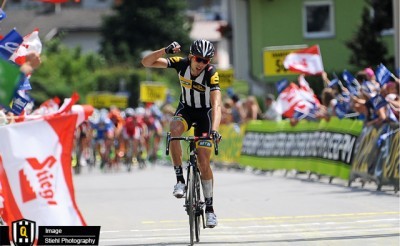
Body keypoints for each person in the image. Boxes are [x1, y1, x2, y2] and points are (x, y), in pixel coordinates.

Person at [141, 39, 222, 228]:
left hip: (205, 115)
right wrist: (165, 50)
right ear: (191, 57)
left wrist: (215, 130)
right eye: (199, 59)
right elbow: (146, 62)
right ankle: (180, 180)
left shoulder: (211, 74)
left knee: (203, 160)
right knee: (174, 130)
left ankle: (210, 209)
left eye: (206, 61)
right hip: (185, 109)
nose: (202, 64)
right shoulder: (181, 63)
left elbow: (216, 104)